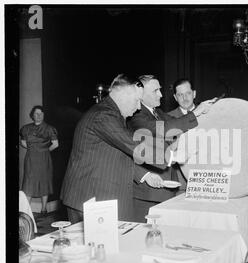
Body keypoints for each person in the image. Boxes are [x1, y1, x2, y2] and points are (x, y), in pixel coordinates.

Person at [60, 75, 178, 224]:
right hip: (90, 198)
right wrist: (172, 156)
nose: (139, 107)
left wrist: (145, 175)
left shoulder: (112, 115)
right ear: (123, 94)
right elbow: (133, 146)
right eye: (137, 100)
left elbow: (117, 154)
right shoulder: (104, 115)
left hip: (98, 196)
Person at [127, 75, 213, 222]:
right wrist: (197, 112)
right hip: (148, 193)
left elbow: (178, 123)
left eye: (160, 90)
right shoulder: (137, 116)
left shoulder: (157, 112)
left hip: (166, 188)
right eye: (156, 91)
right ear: (141, 94)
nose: (161, 94)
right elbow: (165, 129)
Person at [20, 106, 59, 214]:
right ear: (32, 115)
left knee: (44, 181)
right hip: (31, 159)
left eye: (41, 113)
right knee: (29, 182)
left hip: (44, 159)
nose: (39, 116)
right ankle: (26, 211)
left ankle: (44, 208)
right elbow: (23, 142)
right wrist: (33, 150)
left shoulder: (50, 128)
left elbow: (56, 144)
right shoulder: (25, 128)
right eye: (36, 114)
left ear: (44, 115)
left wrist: (45, 151)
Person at [168, 78, 198, 193]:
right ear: (175, 97)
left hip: (208, 181)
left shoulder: (207, 113)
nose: (185, 98)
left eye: (188, 93)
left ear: (194, 94)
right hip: (181, 184)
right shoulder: (167, 119)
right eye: (180, 95)